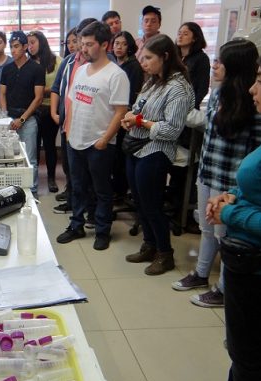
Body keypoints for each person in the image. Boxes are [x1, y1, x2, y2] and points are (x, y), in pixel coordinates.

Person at [207, 39, 261, 381]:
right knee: (241, 350)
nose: (253, 88)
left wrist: (230, 211)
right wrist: (235, 196)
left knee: (249, 355)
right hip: (249, 264)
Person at [171, 39, 261, 308]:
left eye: (220, 62)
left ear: (235, 66)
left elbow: (260, 148)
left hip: (231, 181)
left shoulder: (255, 102)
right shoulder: (217, 93)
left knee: (225, 236)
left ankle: (224, 290)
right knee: (206, 228)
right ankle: (201, 274)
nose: (214, 66)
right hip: (208, 172)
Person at [120, 34, 195, 275]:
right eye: (143, 58)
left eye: (149, 58)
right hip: (137, 146)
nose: (144, 63)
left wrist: (140, 121)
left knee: (152, 205)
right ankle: (149, 246)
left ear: (165, 57)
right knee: (140, 203)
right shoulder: (153, 81)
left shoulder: (179, 88)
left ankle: (165, 254)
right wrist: (130, 118)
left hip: (156, 150)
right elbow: (139, 108)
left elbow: (172, 129)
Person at [55, 21, 130, 251]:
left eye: (88, 44)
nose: (82, 49)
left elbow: (120, 112)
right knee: (77, 187)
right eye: (82, 44)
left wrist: (105, 140)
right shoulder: (80, 71)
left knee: (101, 190)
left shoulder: (116, 75)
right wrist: (68, 132)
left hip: (99, 143)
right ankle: (76, 225)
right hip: (75, 139)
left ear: (105, 45)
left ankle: (102, 230)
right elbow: (73, 104)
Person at [51, 18, 98, 213]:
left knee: (91, 173)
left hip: (90, 126)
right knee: (71, 168)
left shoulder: (101, 64)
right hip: (67, 122)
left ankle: (91, 209)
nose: (79, 44)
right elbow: (56, 88)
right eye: (78, 39)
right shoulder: (69, 61)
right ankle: (73, 203)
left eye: (84, 40)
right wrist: (54, 112)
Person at [0, 30, 45, 196]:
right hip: (10, 119)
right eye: (11, 47)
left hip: (28, 119)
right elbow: (2, 93)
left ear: (26, 47)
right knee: (10, 157)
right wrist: (5, 117)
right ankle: (13, 192)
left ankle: (31, 192)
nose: (13, 50)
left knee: (30, 158)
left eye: (17, 46)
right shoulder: (7, 69)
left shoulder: (36, 69)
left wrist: (22, 119)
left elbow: (38, 98)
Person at [111, 31, 144, 202]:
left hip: (125, 116)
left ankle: (120, 190)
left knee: (120, 156)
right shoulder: (111, 63)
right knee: (113, 156)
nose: (119, 47)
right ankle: (116, 188)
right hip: (111, 115)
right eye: (116, 43)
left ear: (129, 46)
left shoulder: (134, 67)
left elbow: (132, 96)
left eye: (123, 44)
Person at [27, 30, 62, 193]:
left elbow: (61, 87)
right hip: (33, 110)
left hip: (50, 109)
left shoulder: (57, 61)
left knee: (49, 146)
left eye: (33, 42)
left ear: (42, 42)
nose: (30, 46)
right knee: (33, 146)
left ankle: (51, 178)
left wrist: (43, 91)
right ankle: (32, 179)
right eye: (28, 43)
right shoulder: (28, 63)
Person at [176, 22, 210, 109]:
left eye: (185, 34)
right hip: (172, 103)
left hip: (188, 107)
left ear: (194, 38)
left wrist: (191, 106)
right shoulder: (175, 56)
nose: (180, 36)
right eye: (179, 33)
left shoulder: (201, 58)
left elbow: (203, 88)